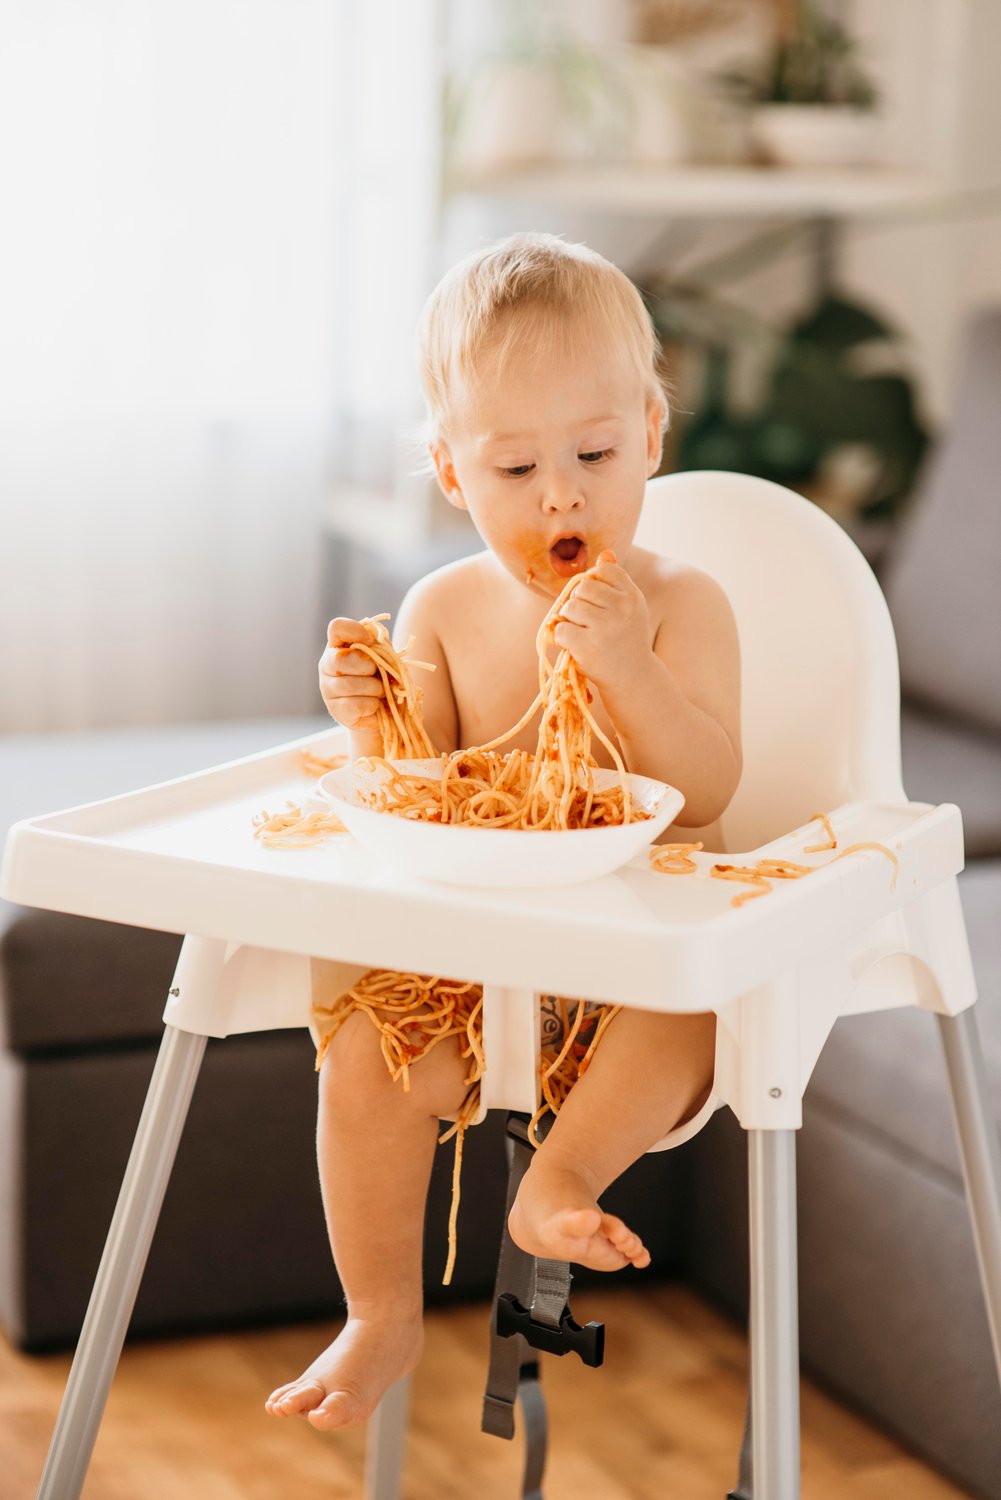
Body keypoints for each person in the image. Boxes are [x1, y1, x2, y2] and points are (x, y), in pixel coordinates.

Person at [265, 232, 742, 1431]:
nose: (561, 495)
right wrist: (369, 716)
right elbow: (411, 793)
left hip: (629, 967)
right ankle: (378, 1311)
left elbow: (708, 791)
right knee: (366, 1053)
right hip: (474, 974)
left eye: (594, 454)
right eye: (516, 466)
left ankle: (558, 1182)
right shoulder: (441, 608)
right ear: (449, 472)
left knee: (699, 1006)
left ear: (651, 433)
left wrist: (630, 669)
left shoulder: (681, 605)